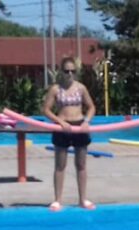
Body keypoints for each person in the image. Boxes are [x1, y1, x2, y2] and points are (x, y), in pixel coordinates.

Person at [42, 57, 97, 211]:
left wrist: (86, 121)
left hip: (79, 127)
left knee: (81, 165)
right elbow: (46, 109)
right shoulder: (55, 89)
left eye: (73, 71)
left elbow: (91, 107)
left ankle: (83, 199)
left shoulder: (81, 88)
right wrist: (60, 122)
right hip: (62, 127)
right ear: (61, 72)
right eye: (66, 71)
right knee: (60, 165)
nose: (70, 74)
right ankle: (57, 200)